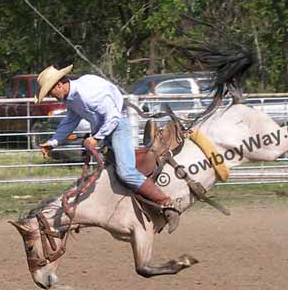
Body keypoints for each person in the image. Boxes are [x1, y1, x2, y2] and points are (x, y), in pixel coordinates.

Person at [36, 65, 180, 233]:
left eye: (50, 93)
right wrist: (52, 142)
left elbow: (113, 117)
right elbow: (70, 121)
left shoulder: (87, 93)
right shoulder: (72, 99)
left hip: (117, 127)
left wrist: (96, 138)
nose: (52, 98)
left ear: (59, 85)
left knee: (125, 172)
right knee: (110, 175)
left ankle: (166, 203)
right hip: (106, 130)